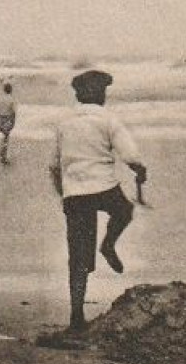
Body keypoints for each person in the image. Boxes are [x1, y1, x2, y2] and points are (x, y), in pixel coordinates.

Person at [51, 69, 147, 333]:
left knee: (78, 257)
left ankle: (76, 316)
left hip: (75, 193)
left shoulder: (64, 122)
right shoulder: (108, 119)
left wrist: (64, 193)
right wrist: (139, 168)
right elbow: (129, 152)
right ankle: (108, 244)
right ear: (100, 94)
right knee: (124, 211)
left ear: (79, 95)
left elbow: (53, 165)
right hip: (103, 186)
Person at [0, 81, 17, 164]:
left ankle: (2, 152)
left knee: (5, 136)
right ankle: (3, 154)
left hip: (0, 118)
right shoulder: (11, 99)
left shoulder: (0, 99)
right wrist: (13, 122)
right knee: (6, 136)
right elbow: (13, 112)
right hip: (8, 119)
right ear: (10, 90)